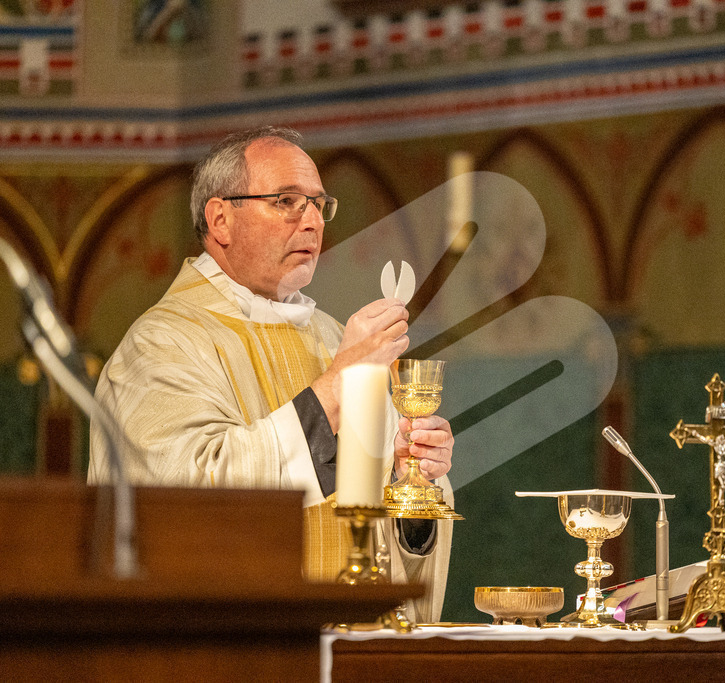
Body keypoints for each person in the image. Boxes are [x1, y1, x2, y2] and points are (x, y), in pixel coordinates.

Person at [89, 125, 454, 623]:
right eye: (286, 201)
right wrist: (334, 389)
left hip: (347, 648)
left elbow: (381, 542)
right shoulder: (164, 344)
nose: (311, 222)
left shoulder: (331, 339)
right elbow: (188, 499)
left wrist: (411, 479)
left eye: (318, 205)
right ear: (220, 219)